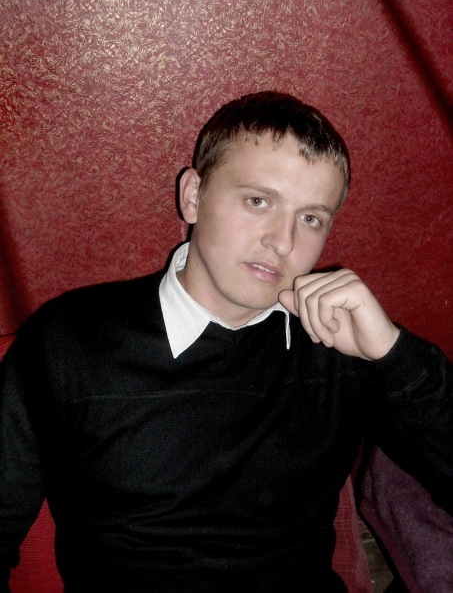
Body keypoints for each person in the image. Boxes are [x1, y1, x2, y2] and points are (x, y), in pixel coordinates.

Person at [0, 91, 451, 592]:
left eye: (311, 218)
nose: (282, 242)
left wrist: (393, 354)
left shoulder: (337, 347)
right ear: (193, 196)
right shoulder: (70, 344)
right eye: (258, 201)